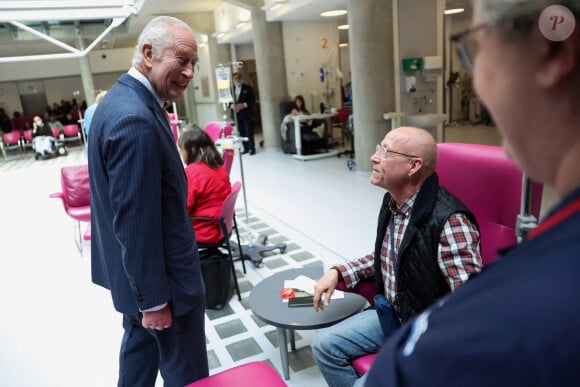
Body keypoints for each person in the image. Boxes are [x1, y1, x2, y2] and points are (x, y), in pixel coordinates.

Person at [364, 1, 580, 386]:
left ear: (551, 51)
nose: (474, 75)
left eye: (476, 49)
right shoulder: (392, 203)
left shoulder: (527, 307)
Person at [87, 16, 209, 387]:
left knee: (139, 361)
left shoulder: (120, 101)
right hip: (164, 290)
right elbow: (134, 222)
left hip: (136, 281)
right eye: (182, 59)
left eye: (194, 65)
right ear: (148, 53)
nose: (189, 72)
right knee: (185, 373)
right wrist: (154, 302)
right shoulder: (134, 119)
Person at [312, 126, 482, 387]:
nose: (374, 157)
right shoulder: (393, 203)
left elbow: (471, 309)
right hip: (393, 315)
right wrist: (339, 272)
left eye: (385, 151)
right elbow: (390, 255)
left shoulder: (451, 222)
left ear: (413, 166)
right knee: (324, 346)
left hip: (426, 336)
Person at [177, 126, 232, 243]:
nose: (180, 153)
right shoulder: (217, 166)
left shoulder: (193, 173)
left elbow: (184, 208)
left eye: (181, 149)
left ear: (191, 150)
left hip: (205, 231)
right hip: (221, 227)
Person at [231, 71, 256, 155]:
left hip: (246, 113)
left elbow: (252, 99)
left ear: (241, 78)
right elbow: (227, 102)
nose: (237, 80)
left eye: (238, 78)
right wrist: (233, 106)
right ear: (233, 79)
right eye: (235, 78)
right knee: (241, 132)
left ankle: (252, 148)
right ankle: (245, 148)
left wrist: (244, 105)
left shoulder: (247, 88)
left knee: (249, 130)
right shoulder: (231, 89)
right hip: (236, 114)